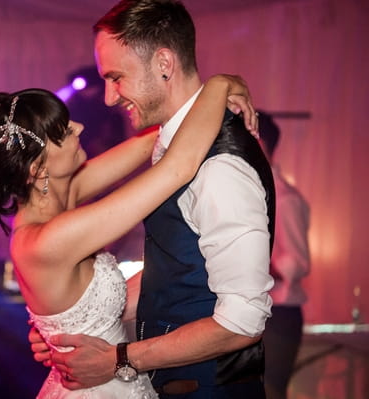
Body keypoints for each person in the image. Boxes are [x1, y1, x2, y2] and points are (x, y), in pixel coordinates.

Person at [0, 74, 258, 398]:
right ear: (37, 169)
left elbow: (152, 141)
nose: (80, 128)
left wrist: (212, 99)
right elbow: (177, 167)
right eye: (64, 132)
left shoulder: (61, 196)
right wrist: (219, 85)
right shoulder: (49, 238)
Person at [29, 1, 276, 398]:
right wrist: (70, 329)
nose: (109, 97)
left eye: (117, 77)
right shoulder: (168, 144)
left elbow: (243, 320)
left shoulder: (220, 168)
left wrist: (121, 358)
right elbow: (180, 270)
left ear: (164, 63)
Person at [257, 111, 310, 399]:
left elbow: (298, 263)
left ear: (258, 141)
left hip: (279, 314)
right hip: (258, 310)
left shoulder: (285, 199)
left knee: (270, 392)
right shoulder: (255, 194)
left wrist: (250, 263)